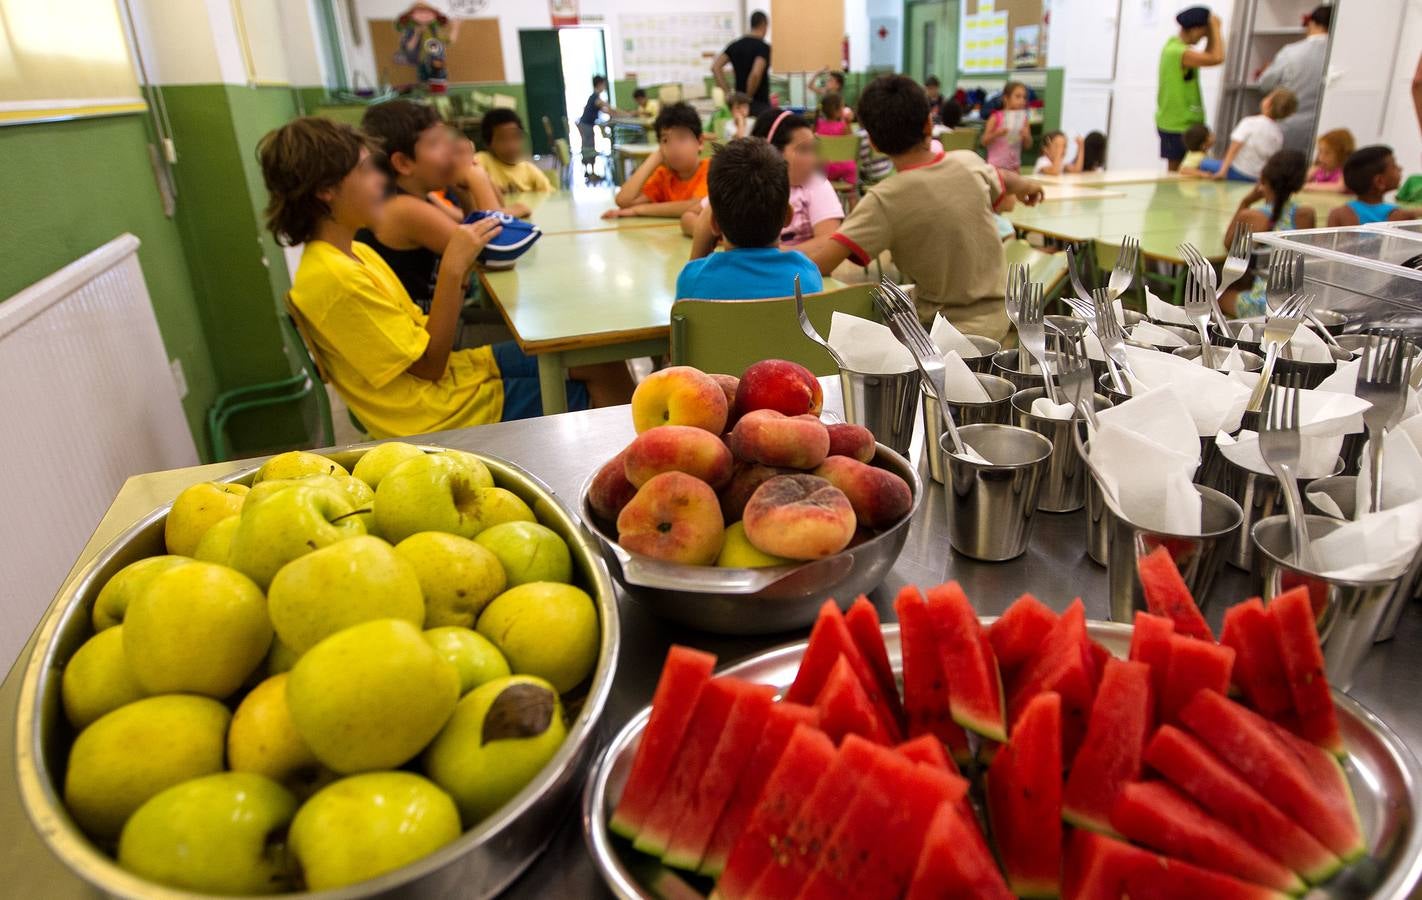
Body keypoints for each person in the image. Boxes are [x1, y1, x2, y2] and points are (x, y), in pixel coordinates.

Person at [257, 117, 631, 436]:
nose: (379, 180)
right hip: (436, 414)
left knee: (598, 359)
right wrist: (453, 269)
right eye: (366, 170)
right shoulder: (333, 278)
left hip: (449, 381)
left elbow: (421, 340)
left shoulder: (355, 252)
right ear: (326, 190)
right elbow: (431, 367)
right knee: (599, 398)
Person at [806, 75, 1046, 340]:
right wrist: (1026, 186)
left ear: (873, 143)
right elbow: (1003, 177)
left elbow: (821, 265)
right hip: (1001, 316)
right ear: (929, 124)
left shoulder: (884, 199)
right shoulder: (969, 162)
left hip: (942, 333)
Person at [354, 100, 470, 306]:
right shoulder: (403, 209)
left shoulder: (418, 197)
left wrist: (463, 190)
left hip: (429, 325)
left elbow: (467, 225)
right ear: (404, 163)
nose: (450, 150)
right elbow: (491, 255)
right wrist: (477, 178)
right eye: (435, 143)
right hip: (425, 331)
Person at [677, 138, 823, 300]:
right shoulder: (807, 275)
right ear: (787, 217)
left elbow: (685, 311)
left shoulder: (693, 280)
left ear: (714, 224)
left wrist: (699, 248)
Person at [681, 111, 843, 255]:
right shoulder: (745, 182)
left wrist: (770, 254)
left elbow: (829, 242)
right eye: (804, 150)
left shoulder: (815, 184)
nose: (814, 159)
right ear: (772, 151)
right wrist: (733, 236)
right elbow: (689, 217)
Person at [1221, 149, 1315, 317]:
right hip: (1295, 301)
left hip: (1264, 305)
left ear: (1263, 179)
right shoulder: (1305, 214)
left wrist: (1245, 202)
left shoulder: (1252, 216)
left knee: (1217, 296)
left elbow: (1230, 248)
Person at [604, 102, 709, 219]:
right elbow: (623, 201)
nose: (673, 147)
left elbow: (697, 205)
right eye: (665, 140)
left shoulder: (710, 170)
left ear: (700, 142)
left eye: (681, 137)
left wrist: (639, 210)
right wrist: (655, 157)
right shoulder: (664, 175)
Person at [1157, 7, 1225, 172]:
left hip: (1184, 121)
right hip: (1177, 123)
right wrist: (1216, 28)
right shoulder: (1178, 52)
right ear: (1195, 29)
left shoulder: (1175, 47)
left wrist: (1210, 33)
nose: (1204, 37)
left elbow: (1211, 54)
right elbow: (1217, 57)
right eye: (1203, 33)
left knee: (1190, 168)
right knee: (1177, 173)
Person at [1257, 4, 1331, 154]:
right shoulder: (1338, 53)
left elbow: (1265, 84)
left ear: (1311, 23)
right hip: (1324, 129)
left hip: (1287, 126)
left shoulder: (1291, 52)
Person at [1198, 88, 1296, 182]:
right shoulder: (1278, 134)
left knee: (1202, 162)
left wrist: (1223, 171)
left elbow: (1234, 148)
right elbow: (1271, 159)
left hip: (1237, 172)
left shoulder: (1249, 122)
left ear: (1268, 103)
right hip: (1256, 177)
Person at [434, 132, 530, 221]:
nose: (469, 160)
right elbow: (491, 221)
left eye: (470, 153)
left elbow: (500, 206)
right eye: (458, 152)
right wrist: (516, 210)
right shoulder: (434, 193)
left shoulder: (456, 184)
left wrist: (484, 174)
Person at [1327, 146, 1422, 226]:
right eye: (1394, 166)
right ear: (1379, 181)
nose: (1400, 168)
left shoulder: (1338, 214)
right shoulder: (1400, 216)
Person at [475, 109, 554, 193]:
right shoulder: (482, 161)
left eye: (516, 137)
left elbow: (552, 197)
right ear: (488, 144)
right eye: (503, 139)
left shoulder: (529, 170)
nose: (511, 146)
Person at [712, 11, 772, 117]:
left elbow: (715, 67)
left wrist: (727, 93)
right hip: (759, 104)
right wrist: (748, 97)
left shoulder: (735, 45)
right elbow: (755, 73)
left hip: (737, 106)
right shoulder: (763, 47)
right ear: (764, 24)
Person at [980, 81, 1032, 173]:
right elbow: (984, 141)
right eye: (1017, 97)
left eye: (1024, 97)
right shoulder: (996, 117)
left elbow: (1027, 145)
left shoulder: (1024, 119)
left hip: (1014, 167)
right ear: (1006, 98)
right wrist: (997, 133)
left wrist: (1026, 136)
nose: (1022, 101)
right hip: (996, 167)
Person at [577, 75, 618, 176]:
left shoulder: (594, 97)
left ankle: (589, 170)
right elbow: (608, 108)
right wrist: (626, 114)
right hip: (586, 126)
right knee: (588, 148)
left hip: (586, 125)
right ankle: (589, 171)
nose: (604, 87)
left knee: (588, 146)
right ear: (600, 84)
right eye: (603, 84)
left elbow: (606, 110)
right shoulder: (596, 97)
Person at [815, 93, 857, 186]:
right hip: (846, 167)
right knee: (852, 191)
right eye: (843, 106)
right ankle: (853, 198)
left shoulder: (817, 125)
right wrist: (848, 122)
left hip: (825, 169)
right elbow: (852, 144)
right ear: (837, 110)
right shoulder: (843, 126)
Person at [1304, 128, 1355, 193]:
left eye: (1327, 153)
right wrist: (1307, 176)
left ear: (1342, 155)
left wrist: (1308, 186)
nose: (1321, 157)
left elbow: (1339, 188)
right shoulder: (1318, 169)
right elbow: (1300, 182)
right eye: (1320, 151)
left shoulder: (1346, 171)